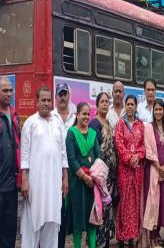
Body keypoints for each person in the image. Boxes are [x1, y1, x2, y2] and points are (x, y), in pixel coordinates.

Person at [20, 86, 68, 248]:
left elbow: (63, 153)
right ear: (37, 101)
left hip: (54, 184)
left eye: (48, 100)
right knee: (32, 222)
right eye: (43, 100)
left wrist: (65, 178)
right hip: (35, 184)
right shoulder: (30, 123)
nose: (46, 103)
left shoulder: (58, 123)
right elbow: (24, 155)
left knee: (52, 223)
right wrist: (25, 180)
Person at [66, 102, 101, 248]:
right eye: (83, 114)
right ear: (77, 115)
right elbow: (71, 159)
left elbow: (99, 158)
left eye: (88, 114)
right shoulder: (71, 133)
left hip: (92, 185)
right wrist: (84, 177)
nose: (86, 117)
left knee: (92, 220)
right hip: (77, 183)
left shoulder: (93, 134)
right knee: (78, 221)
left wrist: (94, 177)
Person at [114, 95, 146, 247]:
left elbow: (144, 146)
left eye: (132, 104)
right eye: (128, 104)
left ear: (136, 106)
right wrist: (129, 158)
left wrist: (138, 156)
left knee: (135, 203)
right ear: (125, 106)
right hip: (124, 170)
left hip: (137, 170)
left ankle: (132, 236)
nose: (130, 107)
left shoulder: (140, 125)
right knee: (124, 202)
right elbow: (118, 144)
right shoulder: (121, 124)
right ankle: (121, 236)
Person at [143, 98, 164, 248]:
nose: (158, 112)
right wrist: (158, 166)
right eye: (156, 109)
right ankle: (151, 239)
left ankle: (157, 235)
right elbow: (148, 150)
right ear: (152, 111)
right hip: (153, 172)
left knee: (163, 205)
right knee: (153, 204)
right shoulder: (149, 128)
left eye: (160, 109)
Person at [89, 92, 117, 248]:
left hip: (110, 174)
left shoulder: (108, 122)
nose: (105, 104)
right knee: (99, 209)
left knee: (107, 210)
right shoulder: (94, 123)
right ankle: (98, 242)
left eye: (107, 101)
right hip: (100, 176)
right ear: (97, 104)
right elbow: (95, 150)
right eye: (102, 101)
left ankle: (105, 241)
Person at [52, 83, 76, 248]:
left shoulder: (75, 118)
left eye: (64, 94)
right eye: (59, 94)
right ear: (56, 97)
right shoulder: (50, 117)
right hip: (55, 172)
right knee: (56, 212)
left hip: (74, 173)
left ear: (69, 96)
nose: (62, 97)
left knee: (69, 214)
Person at [0, 77, 20, 248]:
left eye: (10, 90)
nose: (9, 94)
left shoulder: (14, 116)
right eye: (5, 90)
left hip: (12, 186)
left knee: (10, 230)